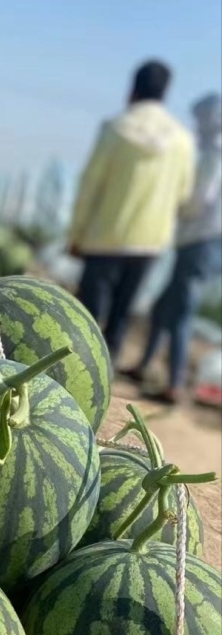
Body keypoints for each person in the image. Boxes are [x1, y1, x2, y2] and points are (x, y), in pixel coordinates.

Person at [68, 60, 195, 363]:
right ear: (165, 92)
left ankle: (76, 372)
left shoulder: (115, 130)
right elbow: (184, 195)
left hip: (104, 237)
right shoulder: (182, 141)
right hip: (149, 242)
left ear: (132, 90)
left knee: (87, 317)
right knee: (121, 315)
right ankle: (105, 374)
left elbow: (90, 186)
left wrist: (76, 233)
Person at [121, 93, 222, 404]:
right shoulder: (209, 151)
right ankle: (144, 365)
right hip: (199, 242)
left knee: (181, 312)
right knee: (163, 307)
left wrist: (171, 205)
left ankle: (176, 385)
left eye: (201, 119)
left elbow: (199, 200)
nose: (197, 125)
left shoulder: (215, 153)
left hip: (201, 242)